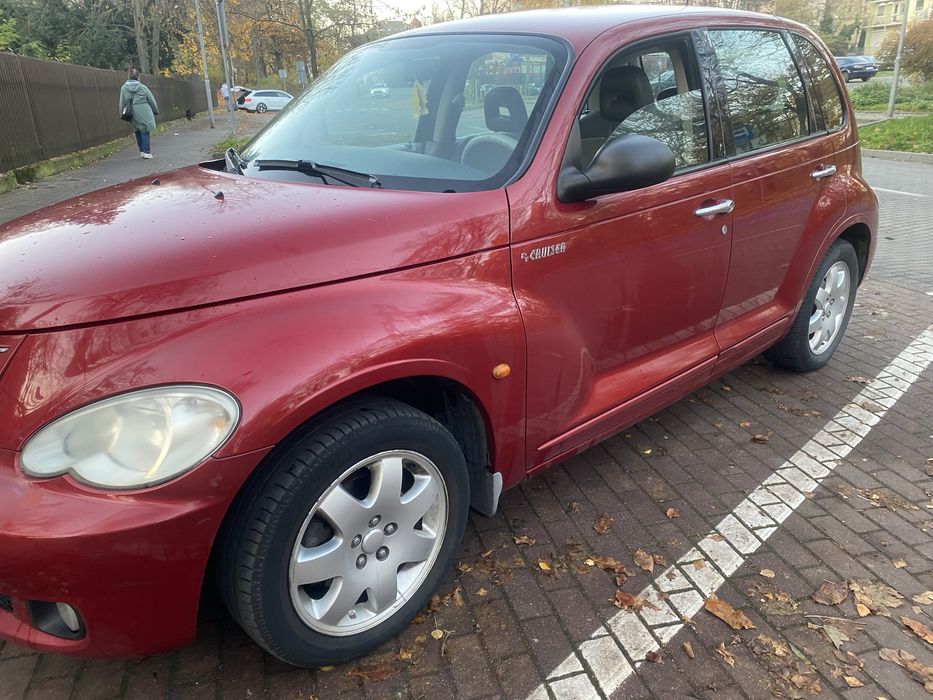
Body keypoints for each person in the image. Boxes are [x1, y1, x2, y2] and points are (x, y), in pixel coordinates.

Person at [119, 68, 159, 159]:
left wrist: (121, 113)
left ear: (128, 76)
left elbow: (121, 102)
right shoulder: (142, 87)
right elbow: (151, 100)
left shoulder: (124, 88)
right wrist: (155, 110)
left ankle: (141, 151)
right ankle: (147, 152)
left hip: (132, 112)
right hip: (144, 111)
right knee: (145, 130)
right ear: (138, 77)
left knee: (137, 131)